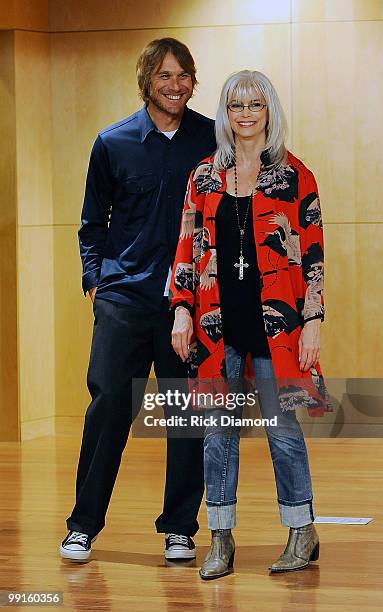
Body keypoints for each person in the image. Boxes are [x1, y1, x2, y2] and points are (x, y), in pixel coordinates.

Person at [170, 70, 332, 579]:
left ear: (269, 111)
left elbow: (313, 257)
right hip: (216, 327)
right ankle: (220, 537)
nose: (245, 115)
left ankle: (301, 531)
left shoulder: (294, 175)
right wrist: (180, 310)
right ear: (225, 112)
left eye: (255, 105)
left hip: (277, 326)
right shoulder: (204, 176)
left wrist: (312, 322)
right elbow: (186, 250)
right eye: (236, 105)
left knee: (282, 430)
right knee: (219, 434)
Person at [59, 38, 216, 563]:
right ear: (147, 80)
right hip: (123, 299)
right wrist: (95, 281)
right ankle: (82, 525)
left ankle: (179, 528)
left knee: (187, 416)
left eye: (184, 76)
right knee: (108, 409)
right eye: (165, 76)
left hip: (187, 303)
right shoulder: (113, 142)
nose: (176, 86)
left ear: (194, 81)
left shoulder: (210, 141)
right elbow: (91, 223)